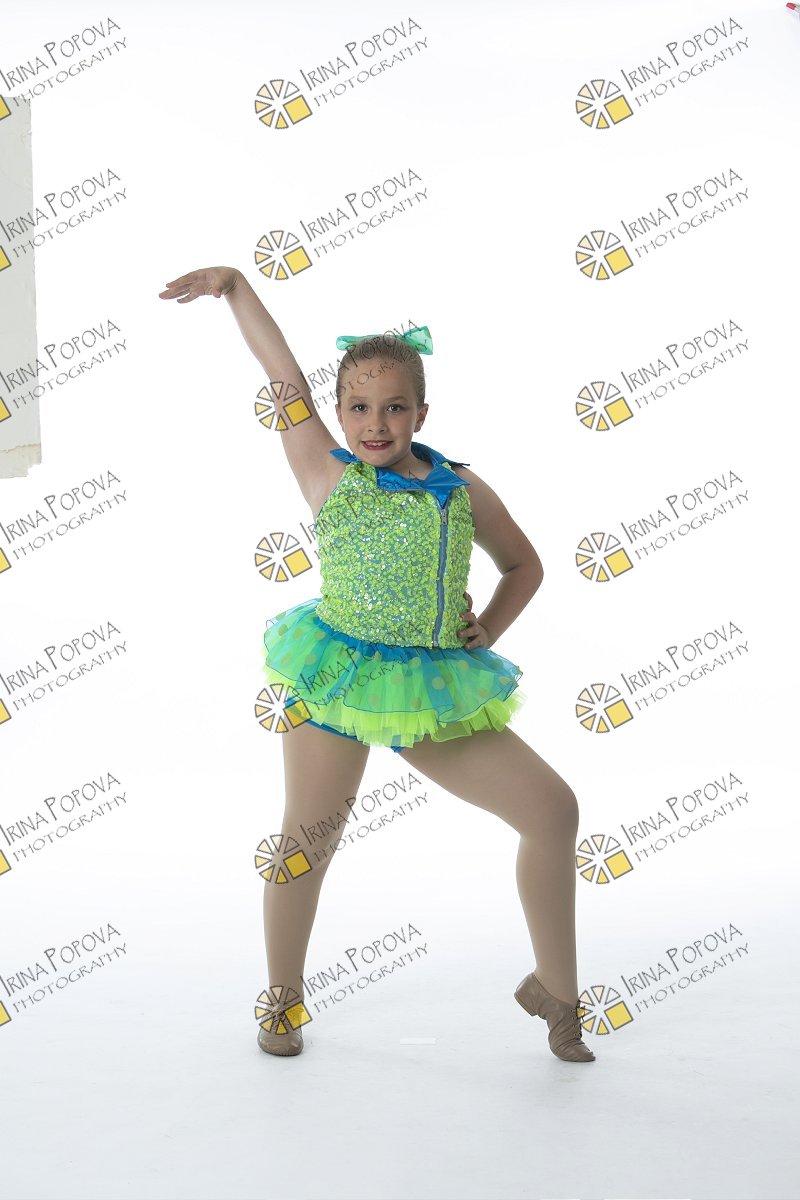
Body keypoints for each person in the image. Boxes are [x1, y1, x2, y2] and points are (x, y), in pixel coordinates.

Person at [158, 267, 596, 1064]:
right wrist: (236, 288)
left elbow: (524, 566)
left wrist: (485, 632)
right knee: (307, 841)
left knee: (553, 811)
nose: (376, 422)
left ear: (422, 412)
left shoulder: (461, 489)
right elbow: (283, 377)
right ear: (338, 414)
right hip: (335, 676)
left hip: (428, 686)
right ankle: (282, 998)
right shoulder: (327, 473)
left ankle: (557, 995)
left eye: (395, 406)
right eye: (358, 407)